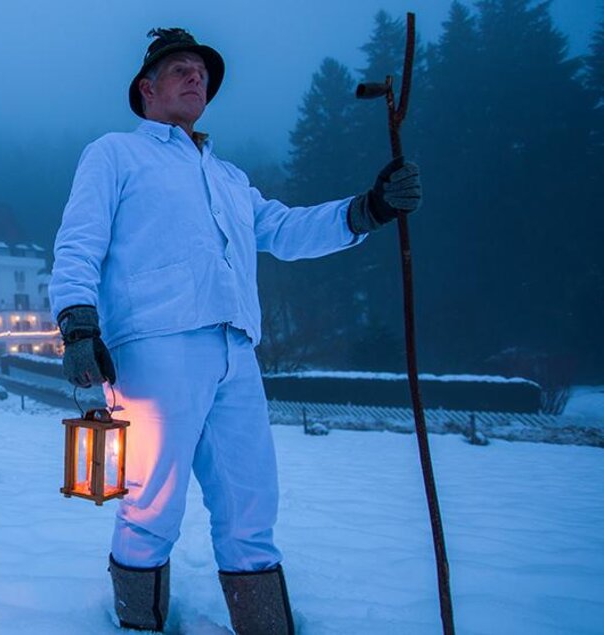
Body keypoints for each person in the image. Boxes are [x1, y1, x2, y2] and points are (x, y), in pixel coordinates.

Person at [48, 28, 421, 634]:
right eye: (180, 70)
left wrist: (368, 208)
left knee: (251, 500)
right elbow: (79, 241)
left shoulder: (229, 178)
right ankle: (135, 622)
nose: (196, 77)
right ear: (146, 89)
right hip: (153, 345)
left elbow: (287, 231)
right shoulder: (115, 154)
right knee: (151, 500)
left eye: (202, 71)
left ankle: (265, 626)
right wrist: (77, 323)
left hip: (236, 350)